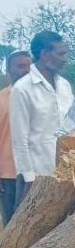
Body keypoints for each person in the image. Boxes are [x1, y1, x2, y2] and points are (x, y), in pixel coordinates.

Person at [9, 31, 73, 202]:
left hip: (66, 174)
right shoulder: (23, 89)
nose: (65, 58)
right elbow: (19, 140)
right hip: (37, 176)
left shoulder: (64, 86)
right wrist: (29, 179)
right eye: (61, 54)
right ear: (45, 54)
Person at [0, 51, 32, 222]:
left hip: (37, 173)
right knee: (11, 223)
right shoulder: (1, 100)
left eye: (29, 66)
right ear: (9, 70)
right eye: (21, 66)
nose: (27, 70)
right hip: (9, 174)